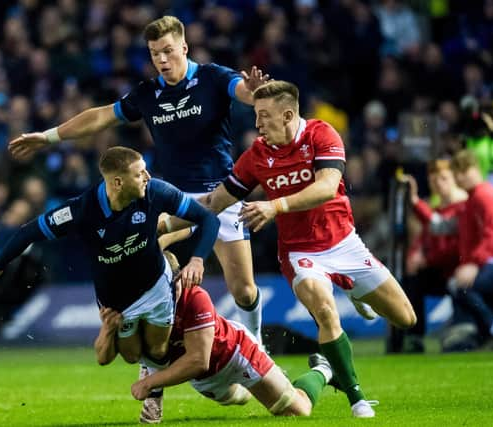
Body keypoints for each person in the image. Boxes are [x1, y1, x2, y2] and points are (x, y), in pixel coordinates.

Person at [8, 15, 268, 343]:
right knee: (144, 254)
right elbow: (100, 116)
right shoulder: (147, 94)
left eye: (168, 51)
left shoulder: (212, 78)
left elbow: (242, 89)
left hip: (222, 194)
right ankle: (150, 358)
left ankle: (257, 344)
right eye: (154, 53)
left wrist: (256, 91)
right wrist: (47, 138)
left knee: (244, 290)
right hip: (172, 198)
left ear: (184, 48)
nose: (161, 59)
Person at [166, 80, 416, 417]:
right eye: (255, 115)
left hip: (344, 243)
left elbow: (327, 187)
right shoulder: (257, 155)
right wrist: (166, 225)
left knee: (405, 318)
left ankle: (353, 296)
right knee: (325, 312)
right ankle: (357, 398)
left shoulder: (321, 135)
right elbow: (214, 201)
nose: (257, 124)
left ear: (287, 115)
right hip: (301, 253)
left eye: (264, 116)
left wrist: (275, 207)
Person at [0, 146, 220, 365]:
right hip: (116, 296)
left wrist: (197, 260)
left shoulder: (156, 191)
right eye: (139, 173)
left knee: (158, 351)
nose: (147, 177)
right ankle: (162, 233)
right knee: (130, 356)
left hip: (154, 282)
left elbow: (207, 218)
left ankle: (163, 239)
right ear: (117, 182)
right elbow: (29, 231)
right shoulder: (81, 210)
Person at [97, 251, 345, 423]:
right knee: (242, 398)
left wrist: (150, 383)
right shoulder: (140, 305)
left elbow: (198, 360)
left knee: (296, 410)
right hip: (204, 380)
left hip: (236, 354)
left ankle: (323, 370)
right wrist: (108, 331)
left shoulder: (194, 297)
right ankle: (274, 378)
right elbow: (105, 357)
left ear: (175, 280)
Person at [449, 149, 493, 343]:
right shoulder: (476, 197)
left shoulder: (483, 196)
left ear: (476, 169)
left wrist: (474, 263)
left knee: (461, 288)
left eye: (465, 171)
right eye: (457, 174)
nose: (461, 177)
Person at [400, 159, 467, 352]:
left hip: (460, 270)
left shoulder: (463, 205)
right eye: (434, 181)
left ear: (454, 177)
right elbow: (424, 237)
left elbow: (450, 242)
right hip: (442, 269)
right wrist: (414, 256)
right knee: (412, 281)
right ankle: (414, 337)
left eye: (444, 178)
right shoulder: (439, 207)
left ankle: (463, 333)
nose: (439, 184)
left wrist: (426, 259)